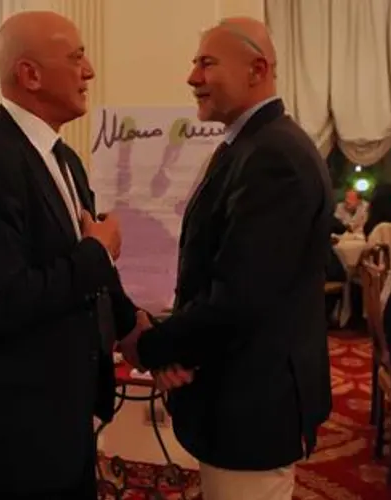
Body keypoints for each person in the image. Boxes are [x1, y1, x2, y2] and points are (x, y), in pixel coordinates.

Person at [119, 18, 332, 500]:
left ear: (257, 69)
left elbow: (240, 297)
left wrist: (154, 346)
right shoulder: (251, 146)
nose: (192, 77)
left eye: (207, 63)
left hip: (253, 405)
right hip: (238, 394)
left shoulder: (273, 156)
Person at [0, 11, 140, 499]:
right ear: (30, 74)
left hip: (63, 415)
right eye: (76, 58)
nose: (89, 70)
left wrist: (135, 327)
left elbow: (82, 263)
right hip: (15, 429)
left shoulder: (64, 159)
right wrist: (98, 253)